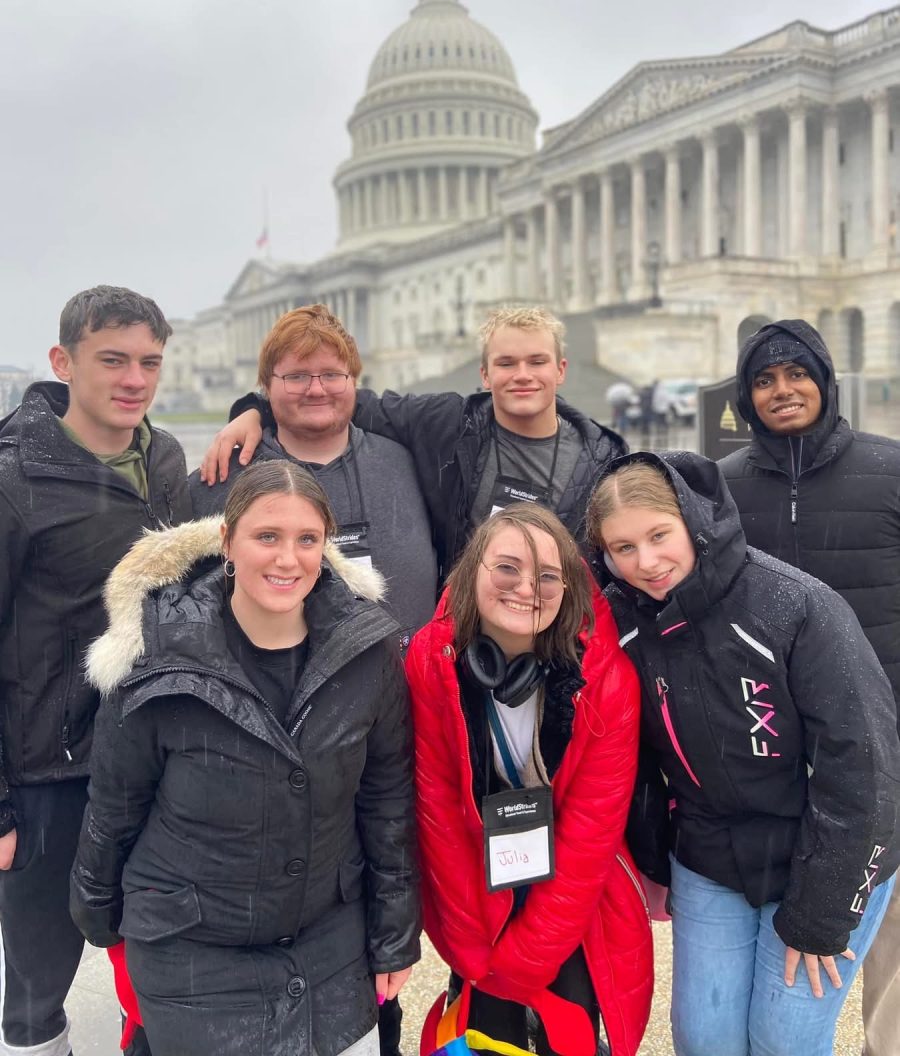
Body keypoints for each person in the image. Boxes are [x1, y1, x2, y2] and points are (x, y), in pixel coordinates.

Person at [70, 460, 420, 1056]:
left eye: (307, 539)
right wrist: (98, 914)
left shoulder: (367, 654)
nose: (288, 559)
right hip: (195, 951)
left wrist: (394, 936)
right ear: (228, 541)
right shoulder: (157, 658)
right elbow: (114, 806)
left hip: (329, 941)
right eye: (267, 537)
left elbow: (386, 803)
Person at [586, 450, 900, 1056]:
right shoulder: (622, 619)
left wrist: (825, 912)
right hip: (711, 853)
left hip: (821, 852)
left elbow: (864, 764)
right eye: (623, 548)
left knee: (782, 1040)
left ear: (693, 521)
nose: (646, 562)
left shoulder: (793, 606)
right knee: (705, 1040)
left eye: (658, 536)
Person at [0, 285, 191, 1056]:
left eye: (149, 361)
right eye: (112, 359)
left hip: (145, 757)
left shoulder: (168, 457)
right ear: (62, 362)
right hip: (45, 767)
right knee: (40, 977)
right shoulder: (14, 480)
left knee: (142, 954)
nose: (133, 378)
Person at [405, 502, 653, 1056]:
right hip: (477, 879)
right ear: (473, 573)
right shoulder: (430, 658)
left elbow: (591, 836)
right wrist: (469, 948)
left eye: (547, 576)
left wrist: (523, 962)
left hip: (573, 898)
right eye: (507, 568)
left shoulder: (608, 682)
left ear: (569, 589)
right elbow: (438, 809)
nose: (526, 588)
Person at [718, 318, 900, 1056]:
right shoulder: (723, 485)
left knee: (889, 946)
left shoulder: (890, 468)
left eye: (797, 374)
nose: (782, 390)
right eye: (764, 379)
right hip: (769, 745)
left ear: (825, 382)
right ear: (745, 393)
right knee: (789, 941)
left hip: (885, 741)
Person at [201, 306, 626, 584]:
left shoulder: (603, 456)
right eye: (505, 363)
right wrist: (255, 407)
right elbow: (332, 401)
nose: (522, 375)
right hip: (464, 636)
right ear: (483, 374)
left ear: (562, 370)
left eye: (537, 362)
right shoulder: (444, 425)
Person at [190, 304, 438, 651]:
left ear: (354, 381)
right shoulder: (222, 477)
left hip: (412, 689)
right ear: (266, 386)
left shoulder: (404, 460)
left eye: (332, 375)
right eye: (297, 377)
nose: (317, 390)